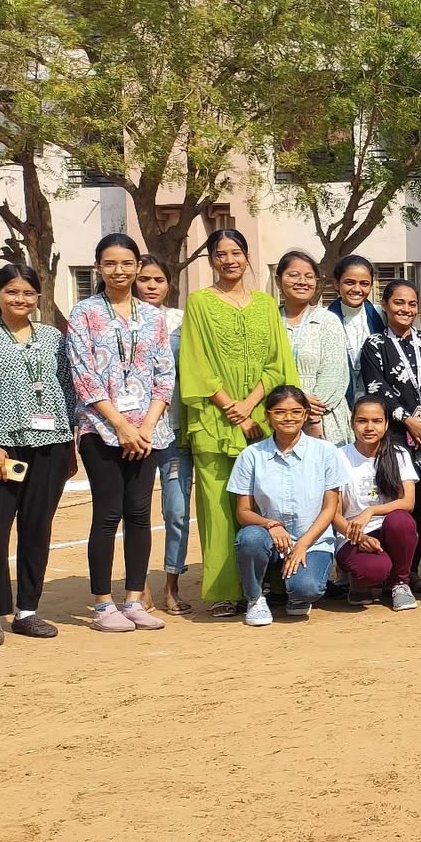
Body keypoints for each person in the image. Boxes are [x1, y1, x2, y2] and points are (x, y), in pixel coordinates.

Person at [0, 263, 77, 644]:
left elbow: (66, 390)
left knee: (37, 529)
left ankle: (27, 611)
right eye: (11, 291)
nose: (20, 299)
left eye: (28, 292)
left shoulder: (53, 338)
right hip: (0, 448)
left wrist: (69, 445)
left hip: (51, 446)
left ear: (38, 297)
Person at [180, 228, 300, 614]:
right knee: (218, 508)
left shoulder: (266, 304)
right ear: (211, 259)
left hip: (261, 417)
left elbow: (278, 363)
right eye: (221, 254)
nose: (229, 260)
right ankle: (226, 590)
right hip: (214, 420)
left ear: (247, 257)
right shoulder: (199, 303)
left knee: (268, 501)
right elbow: (196, 361)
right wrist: (230, 406)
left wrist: (249, 406)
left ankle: (274, 581)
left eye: (236, 252)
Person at [66, 233, 176, 633]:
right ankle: (102, 604)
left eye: (127, 263)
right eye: (110, 263)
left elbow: (165, 374)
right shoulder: (84, 313)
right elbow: (83, 376)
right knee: (108, 513)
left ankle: (133, 600)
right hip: (101, 429)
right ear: (98, 266)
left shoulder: (153, 317)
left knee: (140, 514)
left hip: (147, 432)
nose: (119, 271)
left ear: (137, 267)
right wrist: (120, 425)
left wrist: (144, 427)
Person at [357, 278, 421, 584]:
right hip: (397, 435)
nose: (406, 309)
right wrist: (409, 421)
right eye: (399, 302)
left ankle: (411, 571)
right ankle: (390, 571)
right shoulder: (375, 345)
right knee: (399, 500)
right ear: (385, 304)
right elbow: (377, 388)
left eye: (412, 304)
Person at [228, 384, 346, 626]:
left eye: (296, 411)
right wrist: (271, 525)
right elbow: (243, 512)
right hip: (272, 540)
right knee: (250, 538)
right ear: (267, 415)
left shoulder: (326, 451)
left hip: (312, 541)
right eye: (280, 412)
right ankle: (255, 598)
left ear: (306, 414)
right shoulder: (251, 455)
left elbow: (329, 508)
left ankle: (296, 593)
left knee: (307, 588)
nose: (288, 418)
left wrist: (302, 544)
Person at [133, 255, 193, 614]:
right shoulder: (118, 320)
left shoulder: (182, 322)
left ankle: (172, 584)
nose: (151, 285)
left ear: (169, 284)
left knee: (177, 511)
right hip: (132, 433)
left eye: (158, 279)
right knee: (135, 511)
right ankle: (137, 586)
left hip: (174, 431)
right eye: (144, 279)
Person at [333, 396, 420, 609]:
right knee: (374, 570)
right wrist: (358, 536)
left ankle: (400, 583)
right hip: (352, 535)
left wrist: (371, 511)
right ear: (352, 423)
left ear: (387, 423)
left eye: (377, 421)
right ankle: (359, 579)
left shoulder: (398, 454)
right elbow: (333, 513)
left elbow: (408, 502)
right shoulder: (338, 457)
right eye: (362, 421)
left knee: (402, 521)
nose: (369, 427)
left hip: (388, 530)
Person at [277, 250, 349, 443]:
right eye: (294, 275)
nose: (302, 281)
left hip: (322, 417)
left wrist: (312, 416)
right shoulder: (270, 321)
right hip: (280, 415)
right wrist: (293, 403)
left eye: (309, 276)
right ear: (278, 280)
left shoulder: (328, 321)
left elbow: (334, 373)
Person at [326, 255, 384, 401]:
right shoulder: (325, 319)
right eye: (349, 282)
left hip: (375, 403)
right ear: (336, 284)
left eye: (364, 283)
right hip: (337, 400)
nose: (357, 289)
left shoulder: (380, 315)